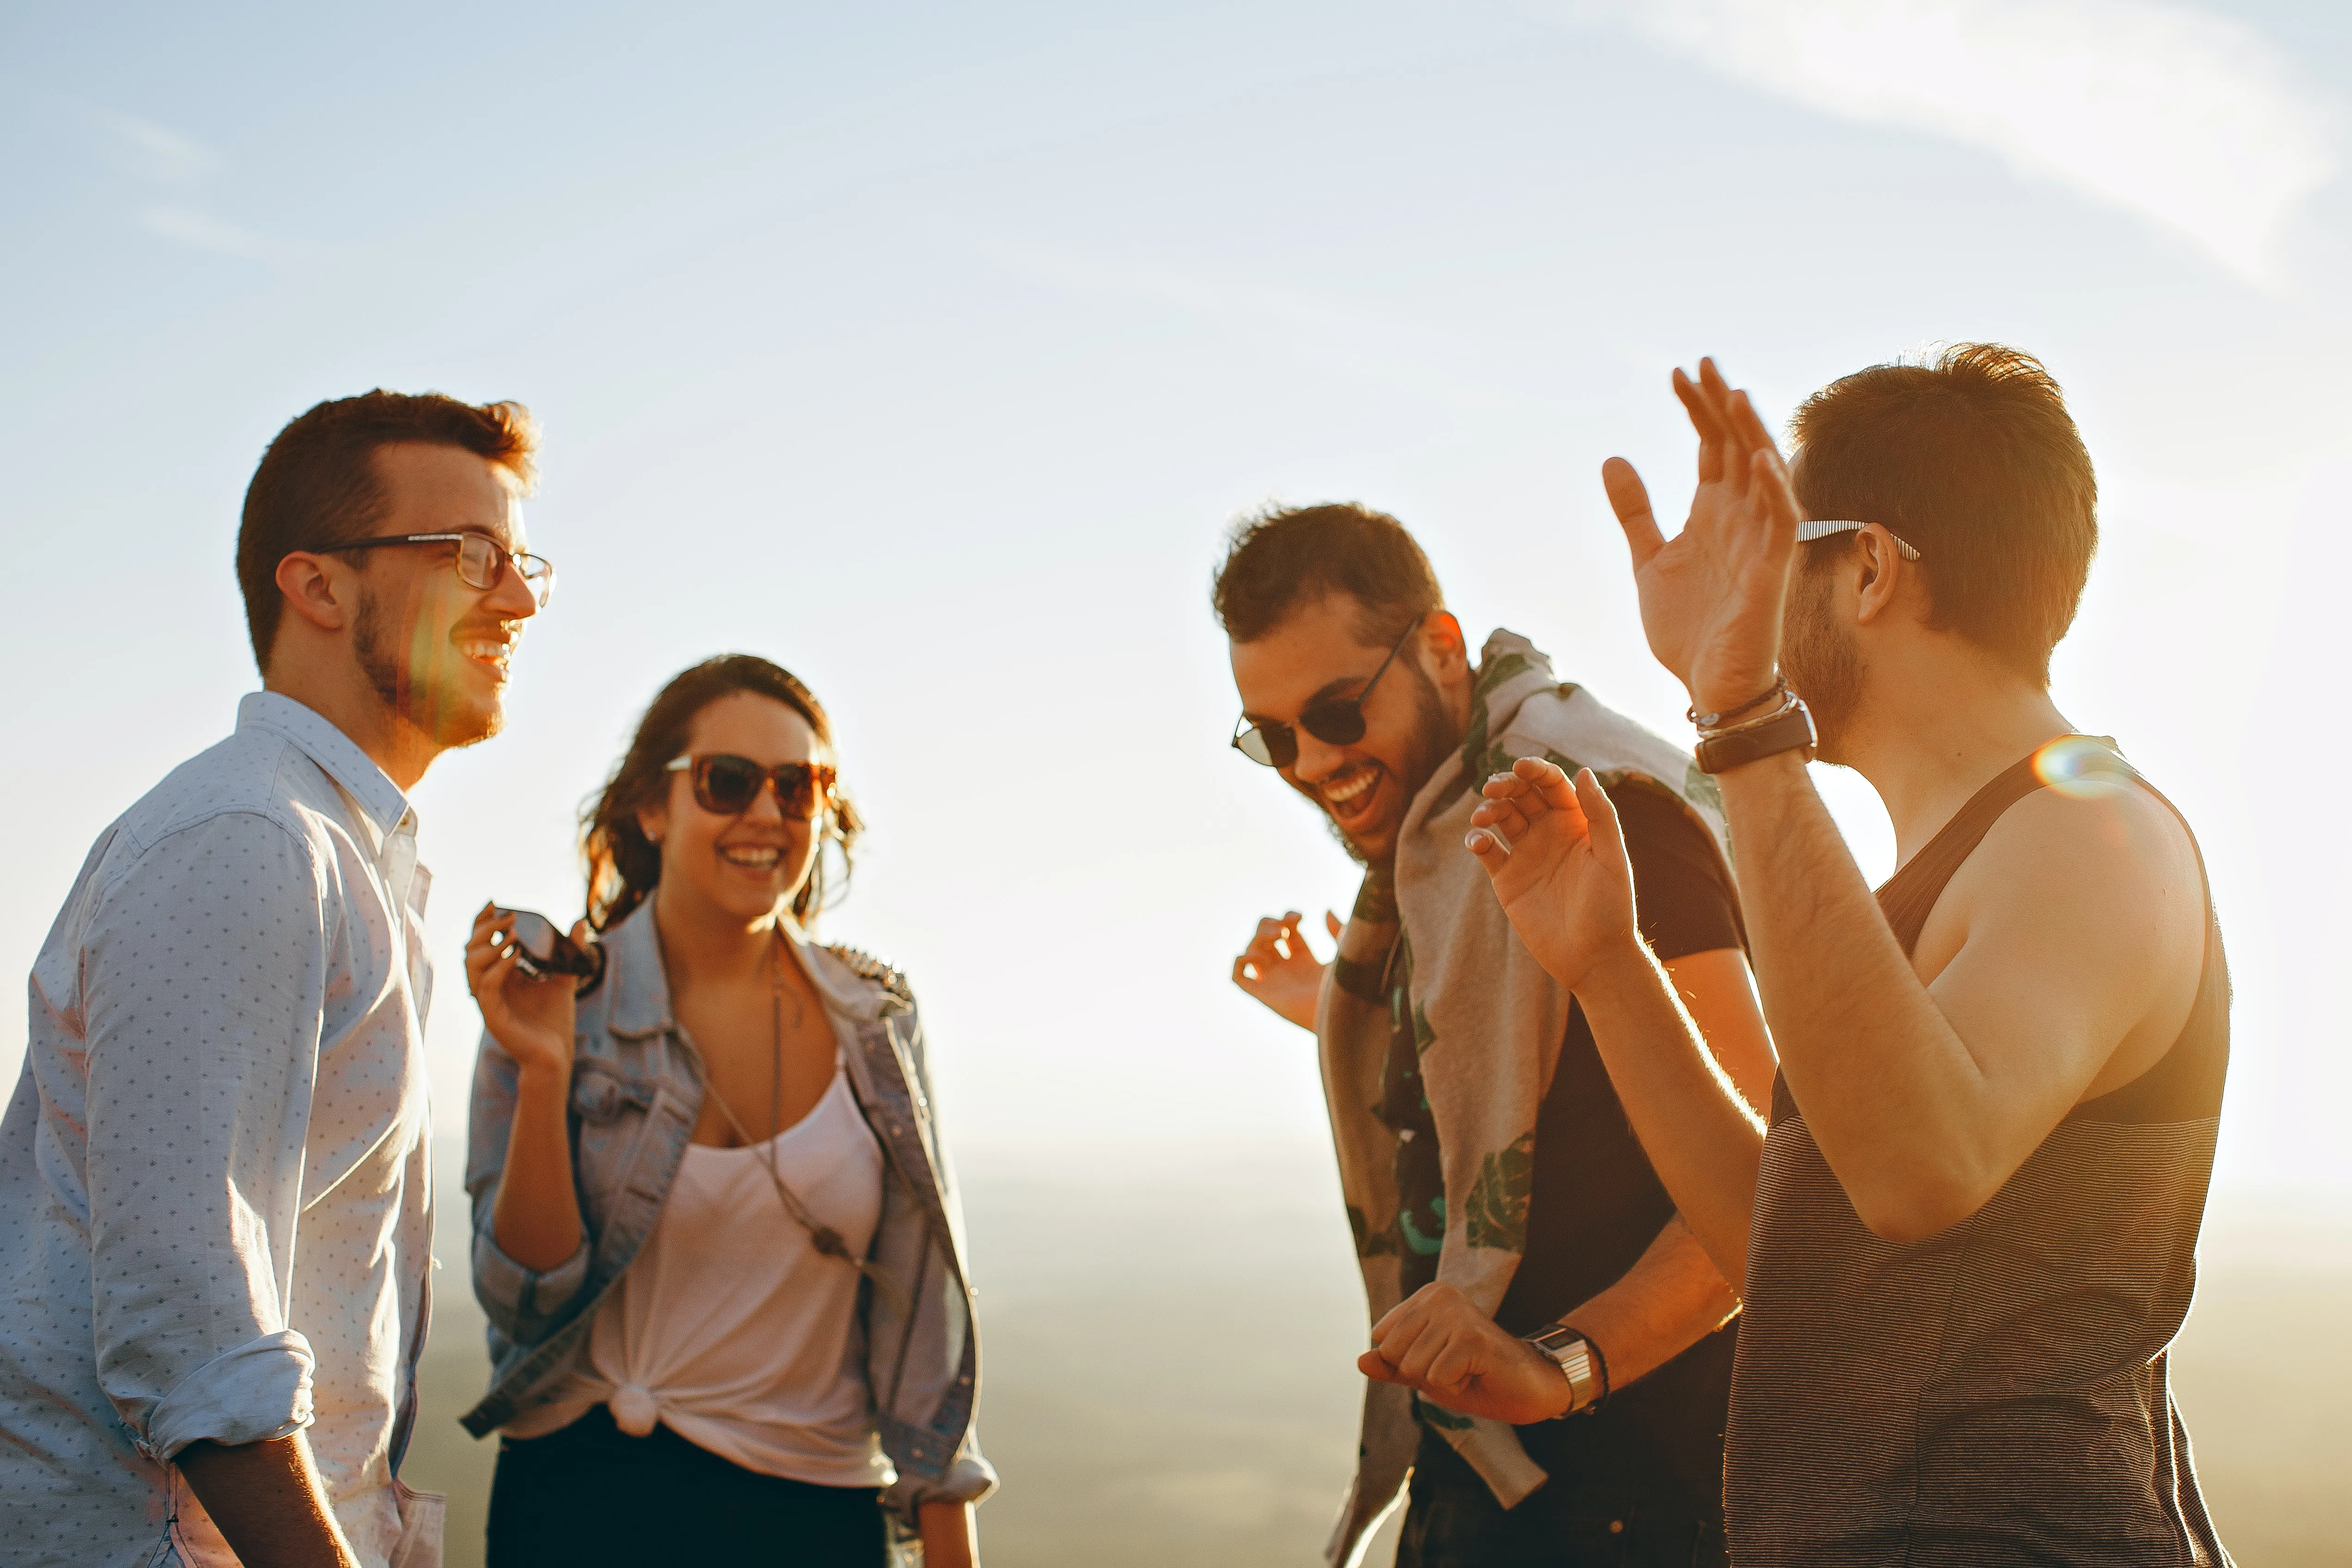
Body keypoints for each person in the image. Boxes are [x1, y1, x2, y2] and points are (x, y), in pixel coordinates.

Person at [1401, 347, 2231, 1565]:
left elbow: (1916, 1170)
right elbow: (1797, 1256)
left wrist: (1738, 715)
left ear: (1869, 567)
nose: (1750, 592)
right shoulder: (1942, 870)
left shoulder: (2089, 832)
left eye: (1772, 553)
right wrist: (1609, 970)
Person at [0, 391, 548, 1567]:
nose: (517, 597)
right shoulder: (250, 837)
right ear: (319, 585)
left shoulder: (337, 851)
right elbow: (194, 1334)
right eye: (471, 555)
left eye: (520, 561)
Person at [1219, 504, 1776, 1568]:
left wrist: (1561, 1367)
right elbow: (1534, 1083)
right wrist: (1343, 1010)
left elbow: (1760, 1183)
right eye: (1272, 736)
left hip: (1638, 1502)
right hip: (1487, 1487)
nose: (1307, 763)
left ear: (1437, 647)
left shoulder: (1600, 814)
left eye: (1335, 712)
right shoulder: (1439, 851)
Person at [460, 654, 993, 1568]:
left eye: (800, 786)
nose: (765, 814)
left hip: (811, 1519)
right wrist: (544, 1070)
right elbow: (525, 1300)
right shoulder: (556, 1002)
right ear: (652, 806)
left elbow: (923, 1341)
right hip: (575, 1509)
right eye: (729, 781)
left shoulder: (877, 1024)